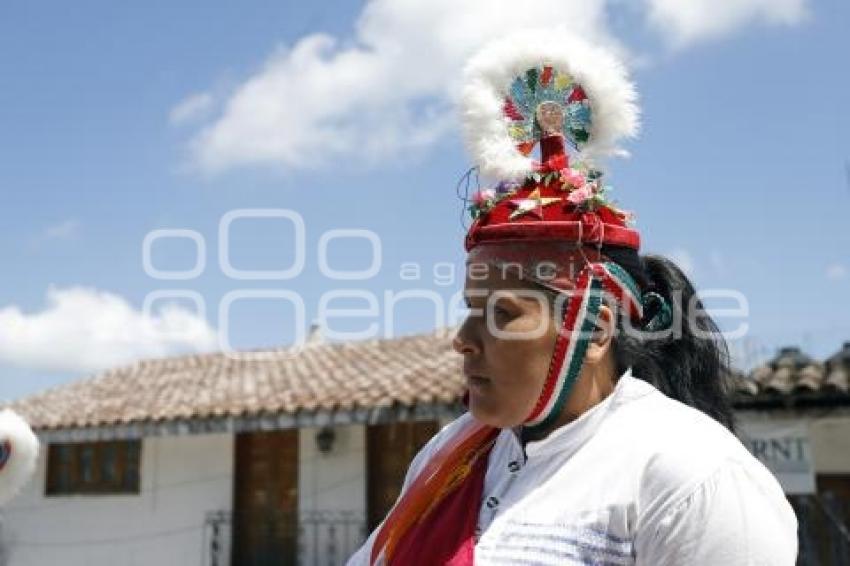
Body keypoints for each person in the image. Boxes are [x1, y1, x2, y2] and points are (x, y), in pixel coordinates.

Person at [348, 30, 797, 566]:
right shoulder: (447, 455)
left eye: (502, 313)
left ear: (596, 327)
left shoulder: (691, 476)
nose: (463, 341)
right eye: (471, 308)